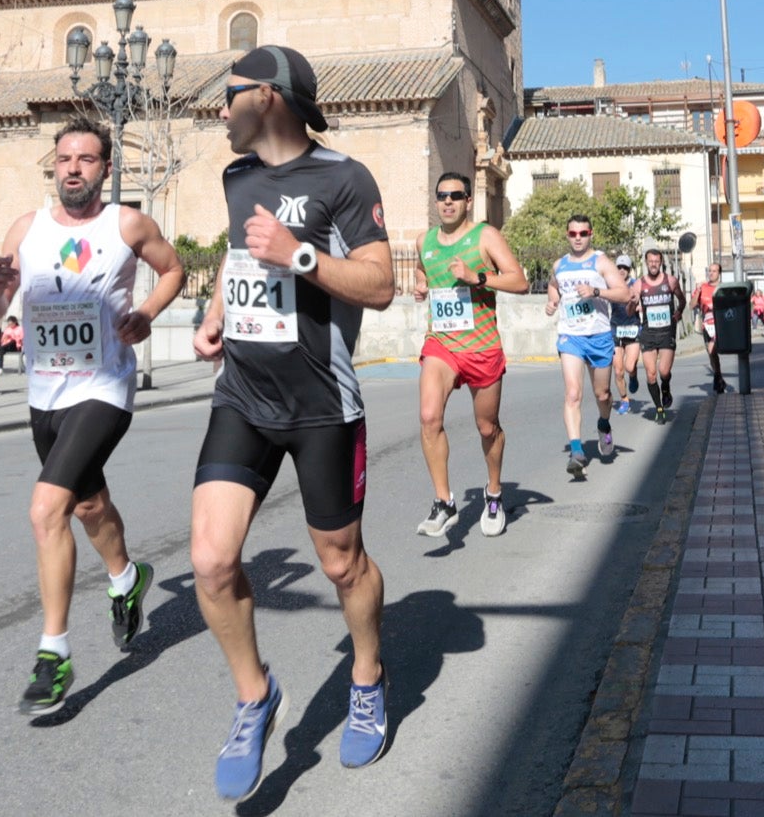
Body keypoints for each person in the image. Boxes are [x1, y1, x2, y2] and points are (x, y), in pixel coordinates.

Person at [188, 46, 395, 799]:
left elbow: (381, 284)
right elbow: (236, 252)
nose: (220, 108)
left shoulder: (343, 177)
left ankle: (367, 676)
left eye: (229, 94)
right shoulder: (237, 177)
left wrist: (299, 253)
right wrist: (215, 314)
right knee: (211, 561)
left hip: (321, 405)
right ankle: (254, 695)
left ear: (268, 97)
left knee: (343, 563)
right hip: (242, 393)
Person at [0, 115, 187, 719]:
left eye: (86, 159)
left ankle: (54, 654)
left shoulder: (127, 224)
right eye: (65, 159)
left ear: (105, 168)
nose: (73, 168)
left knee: (47, 509)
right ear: (54, 166)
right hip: (43, 394)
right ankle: (126, 580)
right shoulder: (27, 228)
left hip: (103, 386)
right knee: (88, 505)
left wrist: (146, 312)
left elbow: (173, 269)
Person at [410, 171, 529, 538]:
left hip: (481, 347)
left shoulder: (485, 236)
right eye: (442, 196)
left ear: (467, 201)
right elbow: (422, 269)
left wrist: (477, 277)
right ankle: (444, 501)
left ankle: (493, 492)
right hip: (442, 344)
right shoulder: (424, 241)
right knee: (429, 417)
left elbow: (521, 281)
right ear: (435, 201)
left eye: (455, 196)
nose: (448, 202)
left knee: (487, 427)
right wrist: (419, 282)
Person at [546, 215, 631, 477]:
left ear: (590, 233)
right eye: (573, 233)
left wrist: (596, 292)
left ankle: (604, 424)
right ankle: (577, 452)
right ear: (567, 235)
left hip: (599, 336)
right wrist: (552, 302)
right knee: (573, 394)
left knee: (603, 394)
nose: (578, 237)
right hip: (571, 336)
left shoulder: (601, 262)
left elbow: (624, 293)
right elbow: (553, 286)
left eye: (583, 233)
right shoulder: (560, 264)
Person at [634, 249, 685, 421]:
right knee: (650, 374)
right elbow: (632, 304)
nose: (654, 264)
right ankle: (659, 408)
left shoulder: (670, 281)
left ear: (661, 262)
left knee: (663, 371)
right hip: (648, 333)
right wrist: (633, 306)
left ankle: (666, 387)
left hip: (666, 332)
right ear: (646, 263)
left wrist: (678, 312)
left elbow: (682, 300)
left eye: (657, 261)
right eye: (651, 261)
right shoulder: (639, 284)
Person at [610, 253, 642, 416]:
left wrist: (640, 306)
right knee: (618, 370)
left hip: (632, 328)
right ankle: (624, 400)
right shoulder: (611, 285)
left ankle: (634, 375)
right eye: (619, 267)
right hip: (615, 328)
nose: (622, 270)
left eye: (625, 267)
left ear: (629, 270)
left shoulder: (636, 284)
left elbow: (643, 300)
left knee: (629, 367)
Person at [690, 262, 728, 393]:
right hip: (707, 324)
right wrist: (698, 291)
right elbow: (691, 305)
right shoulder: (703, 287)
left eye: (714, 271)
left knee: (713, 350)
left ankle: (717, 378)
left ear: (719, 273)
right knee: (712, 354)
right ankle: (719, 378)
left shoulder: (724, 288)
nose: (711, 273)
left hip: (721, 323)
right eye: (710, 271)